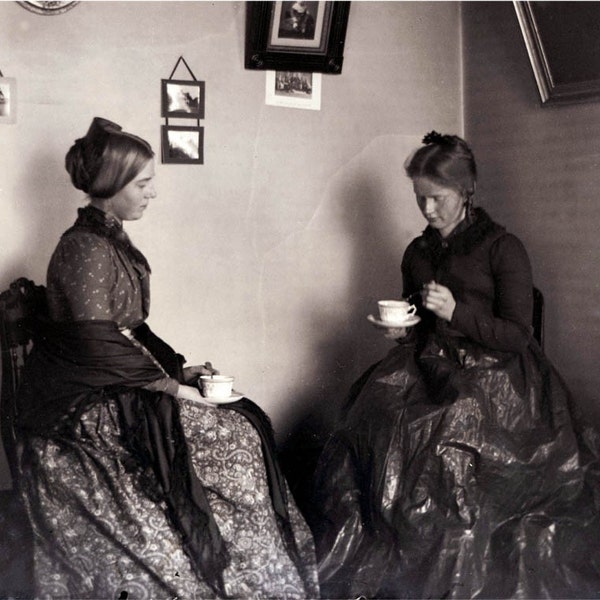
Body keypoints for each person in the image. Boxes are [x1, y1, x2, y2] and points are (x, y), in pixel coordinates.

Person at [15, 117, 320, 599]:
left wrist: (178, 369)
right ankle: (235, 577)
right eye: (143, 183)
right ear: (111, 187)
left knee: (240, 426)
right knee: (232, 438)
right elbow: (96, 343)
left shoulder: (108, 237)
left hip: (118, 382)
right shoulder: (83, 248)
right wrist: (171, 387)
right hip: (81, 404)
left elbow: (130, 330)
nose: (152, 192)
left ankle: (259, 577)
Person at [310, 131, 600, 599]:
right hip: (427, 361)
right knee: (372, 420)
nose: (427, 210)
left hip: (500, 377)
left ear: (465, 193)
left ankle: (447, 562)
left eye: (436, 199)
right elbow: (419, 317)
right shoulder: (417, 252)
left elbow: (518, 334)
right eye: (419, 199)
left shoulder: (503, 248)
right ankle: (393, 549)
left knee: (446, 439)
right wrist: (403, 330)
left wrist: (457, 314)